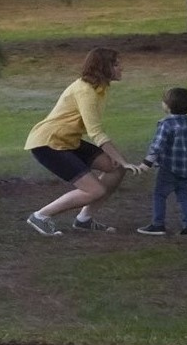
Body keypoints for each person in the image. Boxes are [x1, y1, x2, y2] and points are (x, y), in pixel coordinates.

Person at [21, 46, 139, 236]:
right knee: (95, 190)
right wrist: (124, 160)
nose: (121, 68)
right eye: (116, 64)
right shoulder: (86, 91)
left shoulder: (100, 88)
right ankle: (41, 216)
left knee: (116, 168)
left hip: (69, 141)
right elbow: (96, 132)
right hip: (49, 143)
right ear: (103, 67)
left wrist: (121, 162)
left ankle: (84, 220)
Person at [137, 87, 187, 237]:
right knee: (184, 196)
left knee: (159, 194)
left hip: (169, 168)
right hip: (186, 168)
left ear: (168, 106)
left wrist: (146, 163)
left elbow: (157, 146)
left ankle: (157, 224)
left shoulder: (166, 124)